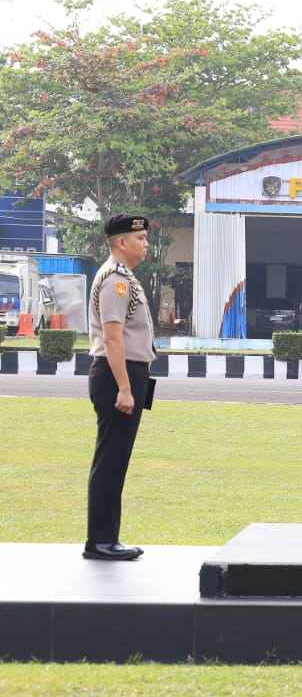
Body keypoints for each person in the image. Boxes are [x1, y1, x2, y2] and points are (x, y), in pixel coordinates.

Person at [84, 214, 156, 561]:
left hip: (127, 373)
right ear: (121, 242)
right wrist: (125, 389)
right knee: (111, 460)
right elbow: (113, 338)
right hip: (118, 375)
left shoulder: (126, 278)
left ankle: (106, 538)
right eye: (140, 238)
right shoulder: (116, 280)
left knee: (115, 460)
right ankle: (100, 541)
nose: (146, 244)